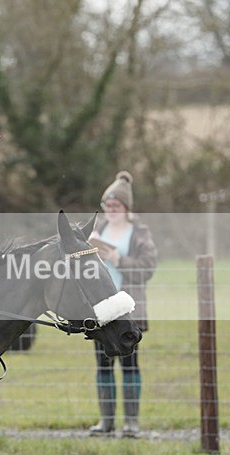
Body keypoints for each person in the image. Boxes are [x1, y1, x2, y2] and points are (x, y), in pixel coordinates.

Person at [87, 171, 157, 438]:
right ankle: (106, 422)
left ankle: (131, 424)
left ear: (127, 207)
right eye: (107, 205)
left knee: (130, 364)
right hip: (101, 308)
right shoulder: (99, 230)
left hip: (129, 310)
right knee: (102, 364)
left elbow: (148, 268)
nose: (111, 210)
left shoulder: (139, 233)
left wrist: (119, 260)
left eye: (116, 205)